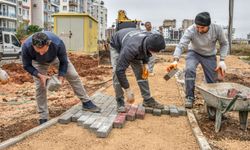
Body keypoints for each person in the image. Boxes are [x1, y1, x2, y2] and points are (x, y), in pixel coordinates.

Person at [22, 31, 101, 125]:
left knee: (73, 75)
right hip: (37, 62)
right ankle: (43, 116)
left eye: (43, 50)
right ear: (33, 45)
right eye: (38, 50)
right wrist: (40, 75)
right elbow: (26, 65)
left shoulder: (57, 43)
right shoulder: (26, 46)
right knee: (40, 86)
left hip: (56, 58)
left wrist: (61, 76)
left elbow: (64, 62)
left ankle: (86, 102)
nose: (41, 53)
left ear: (49, 44)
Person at [167, 12, 228, 108]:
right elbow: (181, 45)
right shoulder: (191, 30)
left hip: (210, 55)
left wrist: (222, 60)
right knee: (189, 69)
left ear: (209, 25)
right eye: (197, 27)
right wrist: (175, 60)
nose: (199, 30)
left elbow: (224, 44)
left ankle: (211, 102)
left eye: (202, 28)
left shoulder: (217, 29)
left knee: (212, 80)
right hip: (194, 53)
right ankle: (190, 97)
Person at [110, 28, 166, 112]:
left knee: (142, 72)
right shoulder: (131, 48)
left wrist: (145, 63)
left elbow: (146, 51)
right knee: (116, 73)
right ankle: (120, 100)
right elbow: (120, 70)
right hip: (117, 45)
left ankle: (147, 100)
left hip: (133, 43)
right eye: (155, 52)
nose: (156, 54)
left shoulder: (151, 38)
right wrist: (127, 89)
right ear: (150, 47)